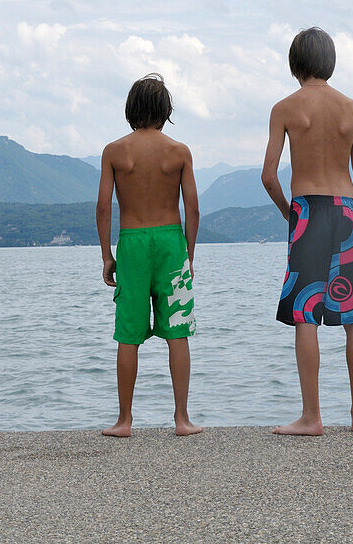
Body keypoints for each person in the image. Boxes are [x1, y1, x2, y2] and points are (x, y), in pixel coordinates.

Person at [261, 27, 353, 436]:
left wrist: (289, 215)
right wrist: (351, 216)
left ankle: (312, 417)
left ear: (295, 64)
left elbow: (268, 176)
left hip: (308, 210)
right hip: (346, 210)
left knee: (305, 315)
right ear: (329, 62)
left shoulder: (285, 108)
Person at [96, 73, 203, 437]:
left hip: (133, 242)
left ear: (131, 109)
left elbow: (103, 209)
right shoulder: (179, 151)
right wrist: (188, 254)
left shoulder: (114, 151)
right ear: (165, 110)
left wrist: (107, 256)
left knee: (128, 335)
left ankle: (124, 421)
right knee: (178, 334)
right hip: (171, 242)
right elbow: (193, 209)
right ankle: (182, 419)